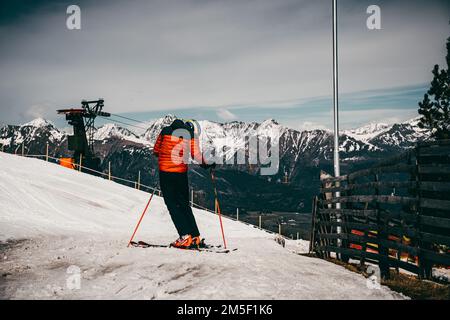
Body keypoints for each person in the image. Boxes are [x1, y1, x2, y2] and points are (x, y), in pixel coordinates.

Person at [153, 119, 214, 249]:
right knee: (184, 205)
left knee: (172, 204)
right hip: (181, 174)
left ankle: (185, 237)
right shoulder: (190, 134)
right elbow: (196, 155)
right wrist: (206, 164)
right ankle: (195, 236)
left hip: (166, 173)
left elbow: (156, 150)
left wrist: (164, 155)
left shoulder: (165, 131)